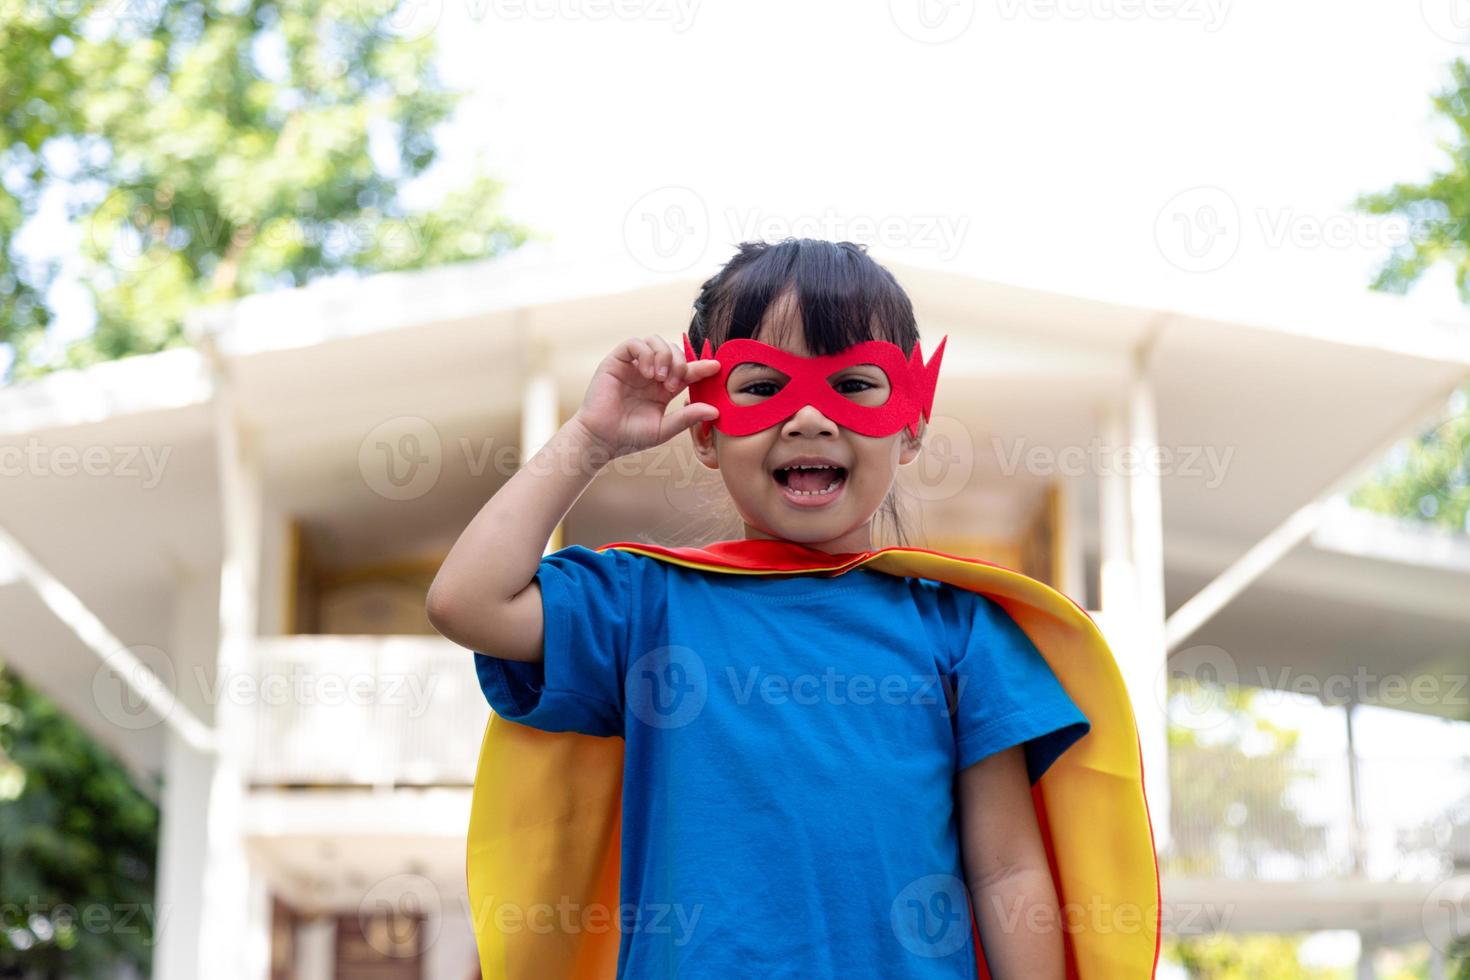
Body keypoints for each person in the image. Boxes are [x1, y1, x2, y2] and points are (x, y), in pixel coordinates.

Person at [427, 238, 1157, 979]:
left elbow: (1004, 871)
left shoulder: (960, 630)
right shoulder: (645, 607)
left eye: (855, 383)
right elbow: (467, 601)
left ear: (911, 424)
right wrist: (591, 438)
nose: (809, 417)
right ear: (707, 430)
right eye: (762, 385)